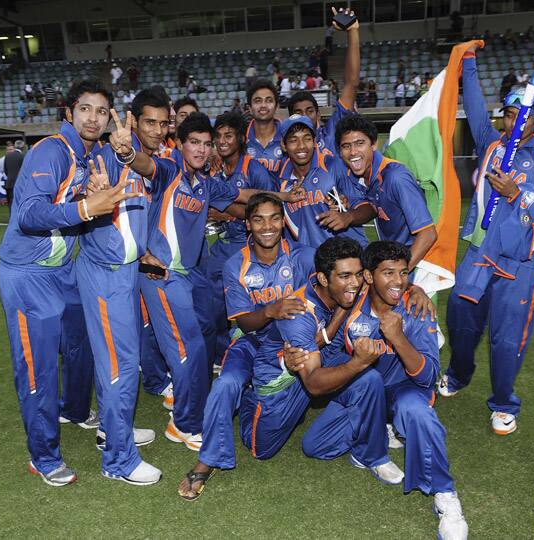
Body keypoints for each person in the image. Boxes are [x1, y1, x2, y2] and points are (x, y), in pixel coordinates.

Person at [108, 112, 304, 453]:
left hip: (183, 276)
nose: (201, 150)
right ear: (180, 144)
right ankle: (183, 424)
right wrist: (126, 152)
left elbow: (242, 193)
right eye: (194, 143)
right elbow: (144, 165)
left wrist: (279, 200)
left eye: (206, 143)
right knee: (188, 349)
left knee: (194, 344)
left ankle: (183, 405)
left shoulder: (205, 183)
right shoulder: (169, 170)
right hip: (160, 275)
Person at [0, 79, 131, 487]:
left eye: (102, 111)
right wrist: (87, 206)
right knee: (37, 369)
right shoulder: (53, 150)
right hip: (27, 275)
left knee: (82, 342)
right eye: (85, 109)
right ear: (69, 113)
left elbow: (133, 164)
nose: (94, 117)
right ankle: (44, 456)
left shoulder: (93, 154)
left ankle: (73, 408)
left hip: (63, 271)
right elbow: (30, 215)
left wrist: (126, 151)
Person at [437, 42, 534, 435]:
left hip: (518, 268)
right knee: (460, 322)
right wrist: (468, 62)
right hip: (477, 254)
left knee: (507, 342)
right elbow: (472, 102)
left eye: (524, 116)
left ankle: (505, 403)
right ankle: (459, 375)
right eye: (510, 114)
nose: (516, 122)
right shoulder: (490, 143)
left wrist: (515, 193)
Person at [309, 241, 467, 540]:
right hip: (366, 392)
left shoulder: (416, 308)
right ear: (368, 276)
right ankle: (375, 435)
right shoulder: (350, 304)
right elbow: (329, 358)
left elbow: (428, 377)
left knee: (417, 411)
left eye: (404, 273)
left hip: (405, 391)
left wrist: (397, 337)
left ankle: (446, 497)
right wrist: (355, 363)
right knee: (316, 446)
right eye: (388, 273)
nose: (398, 281)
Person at [178, 193, 315, 500]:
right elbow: (245, 324)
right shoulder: (235, 264)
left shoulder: (304, 256)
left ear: (283, 221)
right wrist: (270, 310)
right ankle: (208, 460)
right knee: (226, 383)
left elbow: (337, 287)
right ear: (247, 224)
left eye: (274, 218)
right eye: (258, 219)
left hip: (289, 345)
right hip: (251, 341)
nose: (267, 226)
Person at [238, 237, 403, 483]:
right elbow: (314, 384)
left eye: (358, 275)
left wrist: (417, 291)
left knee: (369, 380)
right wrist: (357, 362)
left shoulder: (342, 289)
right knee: (262, 450)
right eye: (345, 276)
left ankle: (374, 453)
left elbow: (390, 281)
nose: (355, 283)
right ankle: (247, 398)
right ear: (324, 279)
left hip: (316, 361)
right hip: (281, 384)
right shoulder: (298, 314)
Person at [77, 89, 173, 486]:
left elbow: (151, 181)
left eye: (163, 123)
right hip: (104, 272)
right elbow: (88, 197)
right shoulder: (104, 156)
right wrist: (97, 183)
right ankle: (118, 460)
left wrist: (144, 252)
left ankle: (110, 432)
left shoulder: (153, 161)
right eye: (148, 122)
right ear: (131, 120)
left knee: (116, 361)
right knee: (119, 364)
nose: (157, 129)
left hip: (127, 271)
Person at [205, 112, 276, 363]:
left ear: (240, 139)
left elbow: (267, 207)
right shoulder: (217, 169)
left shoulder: (253, 169)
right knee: (211, 301)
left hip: (246, 245)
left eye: (229, 136)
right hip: (222, 243)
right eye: (219, 137)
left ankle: (249, 354)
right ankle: (220, 354)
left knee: (243, 304)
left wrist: (227, 213)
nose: (222, 141)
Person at [336, 114, 437, 275]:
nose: (353, 151)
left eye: (360, 143)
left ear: (374, 144)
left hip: (416, 265)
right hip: (395, 260)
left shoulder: (396, 177)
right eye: (346, 146)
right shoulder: (364, 176)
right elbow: (372, 206)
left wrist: (400, 274)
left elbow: (428, 234)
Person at [276, 115, 374, 249]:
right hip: (309, 263)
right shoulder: (280, 179)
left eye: (307, 139)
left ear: (315, 140)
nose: (302, 146)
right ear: (283, 145)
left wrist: (347, 216)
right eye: (293, 140)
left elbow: (369, 207)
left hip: (348, 259)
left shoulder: (333, 166)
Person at [287, 8, 360, 155]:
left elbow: (351, 83)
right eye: (299, 112)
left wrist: (352, 32)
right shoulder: (285, 148)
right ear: (291, 118)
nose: (305, 116)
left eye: (309, 111)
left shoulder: (331, 134)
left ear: (318, 115)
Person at [245, 80, 284, 173]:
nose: (263, 105)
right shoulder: (240, 139)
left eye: (269, 100)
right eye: (258, 101)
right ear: (250, 108)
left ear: (276, 107)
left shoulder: (288, 135)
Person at [4, 140, 25, 211]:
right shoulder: (23, 156)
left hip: (9, 183)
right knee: (20, 203)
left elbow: (5, 170)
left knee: (10, 203)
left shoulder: (7, 156)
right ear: (23, 147)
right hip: (20, 184)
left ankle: (12, 219)